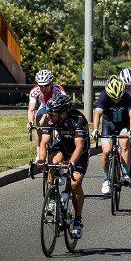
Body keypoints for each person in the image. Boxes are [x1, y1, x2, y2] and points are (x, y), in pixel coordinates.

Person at [36, 95, 89, 240]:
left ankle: (77, 220)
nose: (49, 116)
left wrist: (70, 163)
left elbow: (79, 146)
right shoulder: (49, 118)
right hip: (63, 145)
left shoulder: (78, 119)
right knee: (52, 163)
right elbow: (44, 143)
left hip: (80, 150)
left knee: (74, 183)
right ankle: (52, 197)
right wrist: (41, 159)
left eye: (53, 114)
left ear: (63, 113)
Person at [92, 76, 131, 194]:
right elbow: (97, 114)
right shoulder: (104, 95)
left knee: (125, 143)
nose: (116, 100)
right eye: (113, 98)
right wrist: (95, 129)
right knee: (106, 151)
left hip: (123, 124)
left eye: (119, 97)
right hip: (109, 124)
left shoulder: (127, 95)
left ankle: (126, 173)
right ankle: (106, 179)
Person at [27, 70, 67, 160]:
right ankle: (38, 152)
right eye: (40, 86)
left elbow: (64, 109)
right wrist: (30, 122)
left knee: (60, 129)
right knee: (38, 123)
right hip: (44, 106)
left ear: (52, 83)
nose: (43, 88)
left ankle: (61, 152)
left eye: (46, 85)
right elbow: (31, 109)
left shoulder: (59, 91)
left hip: (58, 109)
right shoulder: (35, 91)